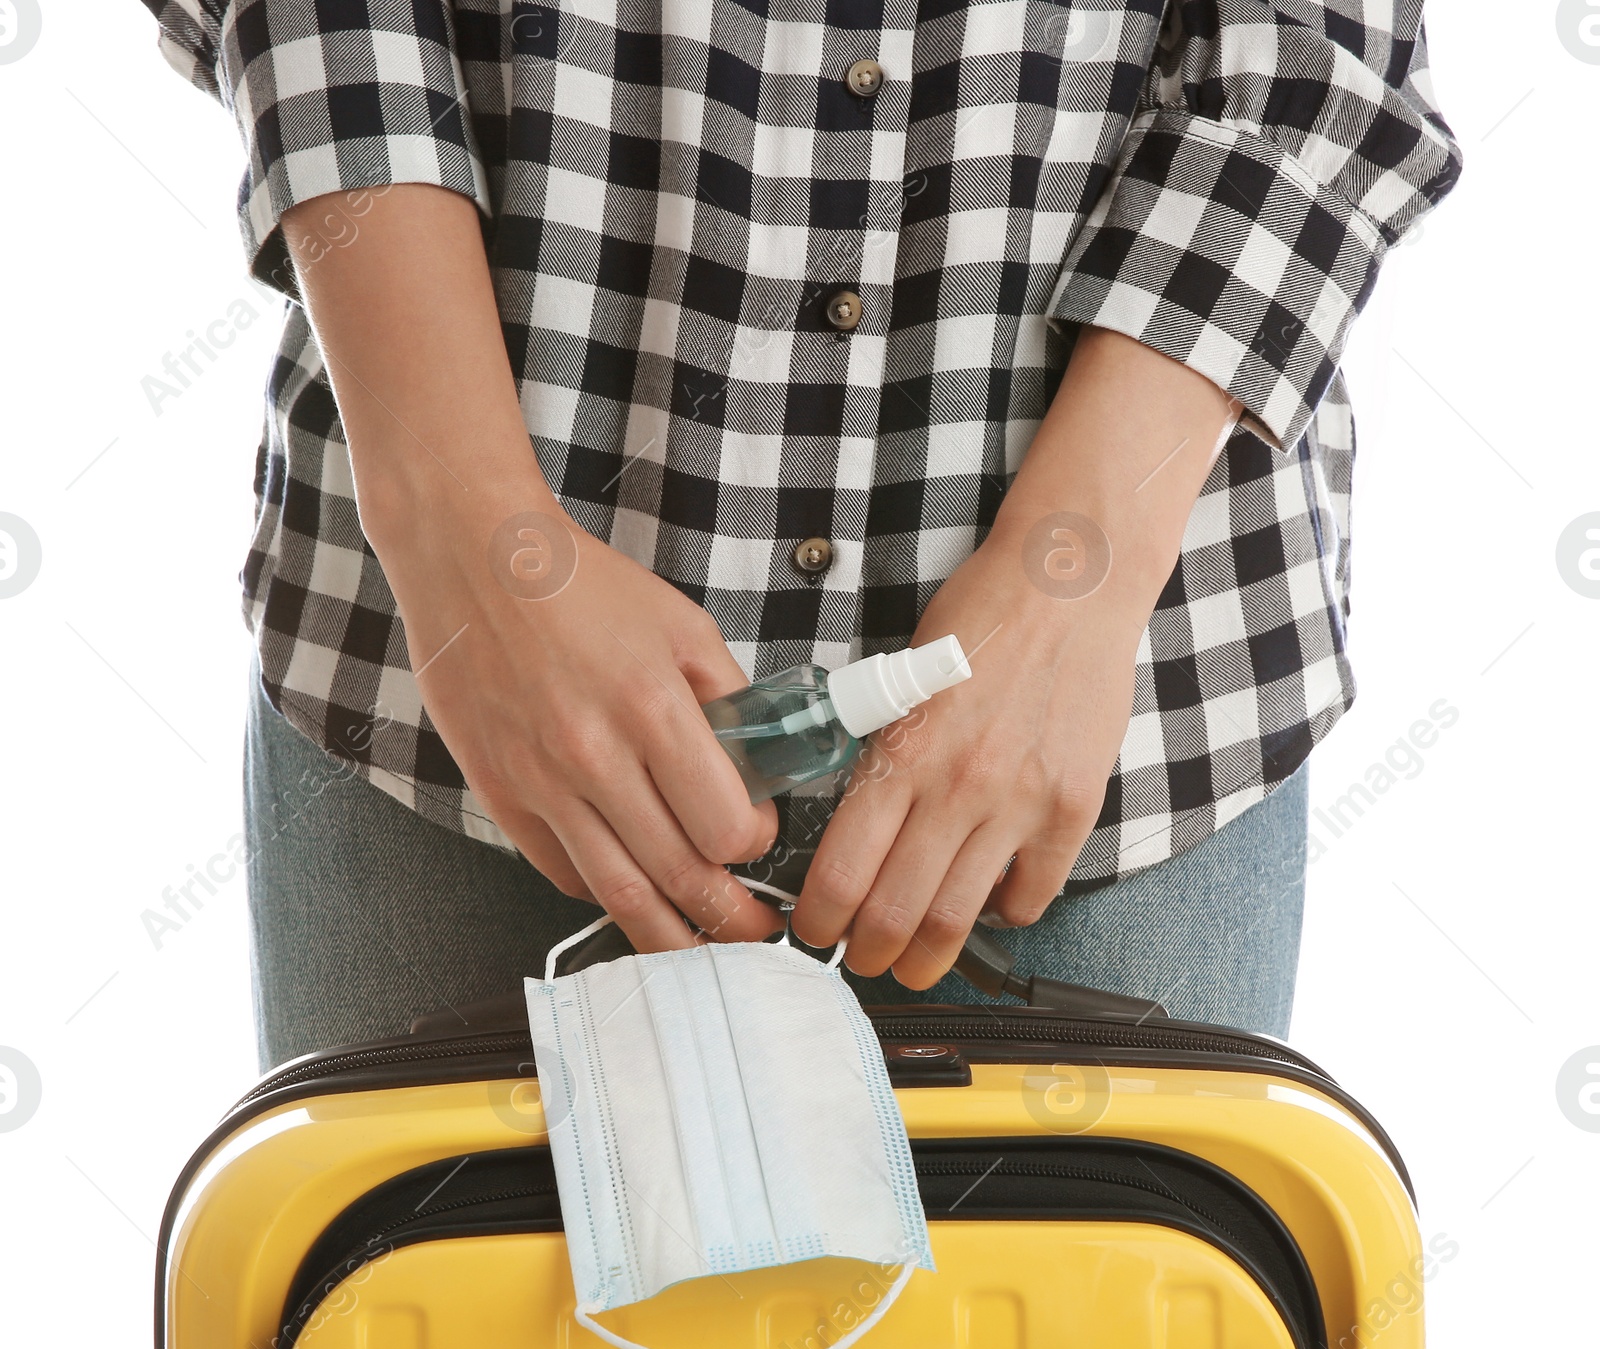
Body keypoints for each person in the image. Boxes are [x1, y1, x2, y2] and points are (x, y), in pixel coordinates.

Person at [139, 0, 1460, 1070]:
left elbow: (1325, 39)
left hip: (1110, 739)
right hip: (460, 719)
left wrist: (1082, 567)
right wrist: (464, 522)